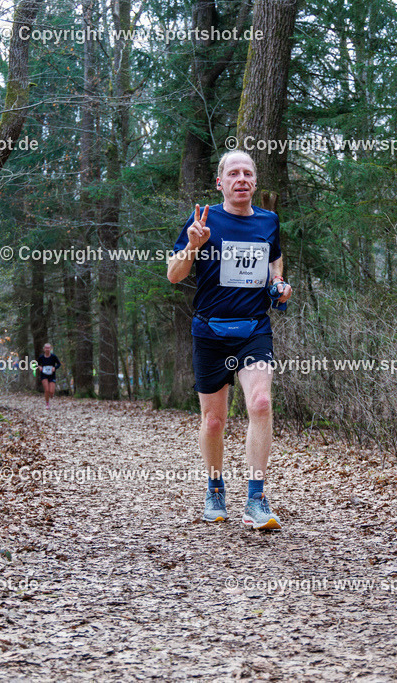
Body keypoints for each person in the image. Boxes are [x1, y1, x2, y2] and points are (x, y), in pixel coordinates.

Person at [166, 150, 293, 531]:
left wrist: (279, 288)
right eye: (233, 173)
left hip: (254, 328)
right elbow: (174, 275)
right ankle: (215, 489)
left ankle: (256, 499)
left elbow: (274, 267)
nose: (241, 179)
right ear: (220, 182)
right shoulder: (203, 220)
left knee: (260, 401)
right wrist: (193, 245)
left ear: (255, 182)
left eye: (248, 173)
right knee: (214, 420)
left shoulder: (269, 222)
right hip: (209, 331)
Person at [36, 343, 61, 409]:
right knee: (46, 390)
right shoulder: (41, 357)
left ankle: (51, 395)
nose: (47, 349)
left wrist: (54, 368)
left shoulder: (53, 356)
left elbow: (59, 364)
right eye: (46, 348)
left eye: (48, 348)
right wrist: (39, 367)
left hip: (52, 375)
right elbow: (37, 364)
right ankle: (47, 404)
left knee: (51, 391)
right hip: (44, 374)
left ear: (50, 349)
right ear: (44, 349)